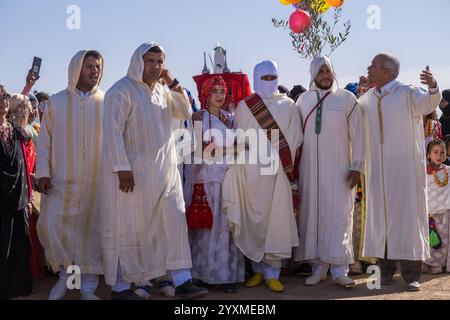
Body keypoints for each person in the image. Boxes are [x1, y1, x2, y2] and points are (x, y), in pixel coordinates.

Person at [102, 42, 208, 300]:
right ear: (138, 61)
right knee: (130, 229)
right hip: (133, 177)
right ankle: (121, 288)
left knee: (172, 225)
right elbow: (112, 131)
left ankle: (182, 281)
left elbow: (184, 111)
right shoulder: (121, 91)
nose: (155, 66)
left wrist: (172, 83)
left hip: (166, 173)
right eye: (150, 61)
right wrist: (122, 167)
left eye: (160, 61)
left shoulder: (162, 91)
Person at [360, 53, 442, 291]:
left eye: (373, 66)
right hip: (377, 170)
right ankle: (385, 271)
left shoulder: (407, 93)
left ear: (387, 72)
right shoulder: (367, 98)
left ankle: (412, 274)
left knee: (406, 219)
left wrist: (433, 86)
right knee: (381, 219)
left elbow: (429, 103)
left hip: (405, 171)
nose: (369, 68)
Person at [223, 60, 303, 293]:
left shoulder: (288, 105)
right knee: (253, 219)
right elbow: (239, 137)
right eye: (264, 78)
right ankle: (258, 270)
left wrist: (276, 159)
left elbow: (295, 137)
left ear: (277, 78)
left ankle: (273, 273)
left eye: (272, 78)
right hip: (251, 172)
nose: (268, 82)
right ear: (256, 78)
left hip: (277, 171)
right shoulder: (245, 106)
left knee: (275, 219)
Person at [36, 50, 105, 300]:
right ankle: (66, 278)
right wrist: (43, 173)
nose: (94, 71)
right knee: (56, 227)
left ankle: (87, 288)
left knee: (91, 233)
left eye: (97, 66)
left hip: (96, 184)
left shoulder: (106, 102)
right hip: (60, 182)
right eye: (89, 66)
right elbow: (44, 143)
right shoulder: (57, 102)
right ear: (76, 68)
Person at [294, 56, 364, 287]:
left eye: (328, 70)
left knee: (339, 217)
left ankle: (339, 269)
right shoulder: (303, 100)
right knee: (313, 216)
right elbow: (295, 137)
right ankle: (318, 267)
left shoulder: (347, 99)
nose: (325, 75)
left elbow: (359, 136)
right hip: (310, 172)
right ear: (313, 74)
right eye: (320, 71)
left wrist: (357, 167)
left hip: (340, 170)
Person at [184, 76, 245, 294]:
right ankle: (202, 275)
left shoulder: (229, 118)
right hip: (205, 179)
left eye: (222, 91)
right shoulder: (198, 117)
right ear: (205, 94)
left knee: (225, 228)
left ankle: (225, 275)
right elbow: (201, 150)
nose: (219, 96)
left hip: (227, 178)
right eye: (214, 91)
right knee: (207, 230)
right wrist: (234, 149)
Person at [0, 89, 33, 299]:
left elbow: (23, 164)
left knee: (18, 245)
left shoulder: (14, 130)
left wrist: (27, 195)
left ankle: (16, 286)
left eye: (3, 97)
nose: (2, 101)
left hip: (17, 199)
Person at [424, 140, 450, 274]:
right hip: (430, 213)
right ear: (428, 154)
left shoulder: (448, 171)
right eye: (435, 152)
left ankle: (444, 263)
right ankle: (434, 264)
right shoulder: (423, 172)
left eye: (442, 152)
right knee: (434, 240)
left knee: (445, 240)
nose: (439, 155)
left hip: (445, 212)